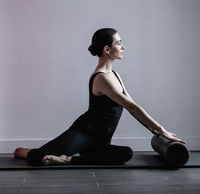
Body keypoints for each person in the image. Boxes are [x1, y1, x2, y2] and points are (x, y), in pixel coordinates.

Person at [14, 28, 186, 166]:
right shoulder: (101, 77)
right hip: (84, 133)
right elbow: (132, 108)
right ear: (107, 49)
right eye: (119, 43)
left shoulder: (115, 75)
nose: (123, 46)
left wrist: (156, 131)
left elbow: (132, 106)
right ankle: (27, 150)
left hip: (100, 142)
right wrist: (161, 130)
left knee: (126, 153)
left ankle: (66, 160)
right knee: (37, 158)